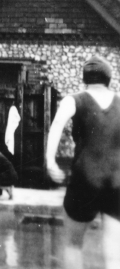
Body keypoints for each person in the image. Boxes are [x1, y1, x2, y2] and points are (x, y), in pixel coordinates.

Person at [46, 55, 120, 269]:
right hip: (117, 180)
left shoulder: (74, 100)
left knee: (73, 245)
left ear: (85, 78)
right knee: (115, 252)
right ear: (108, 78)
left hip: (85, 177)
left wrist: (50, 160)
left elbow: (57, 124)